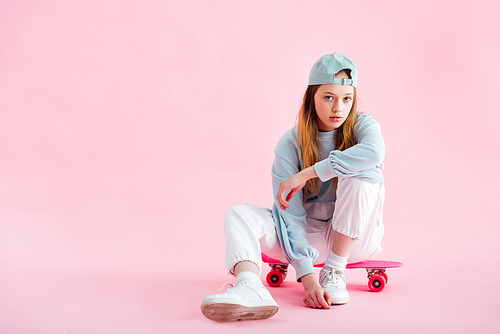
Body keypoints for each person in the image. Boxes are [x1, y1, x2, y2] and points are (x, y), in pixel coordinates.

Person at [200, 53, 385, 322]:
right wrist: (308, 279)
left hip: (353, 240)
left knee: (363, 171)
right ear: (312, 96)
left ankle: (335, 270)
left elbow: (374, 153)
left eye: (346, 98)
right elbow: (290, 216)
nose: (338, 108)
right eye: (329, 97)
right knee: (238, 213)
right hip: (304, 242)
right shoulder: (290, 143)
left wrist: (306, 175)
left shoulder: (363, 125)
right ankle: (250, 285)